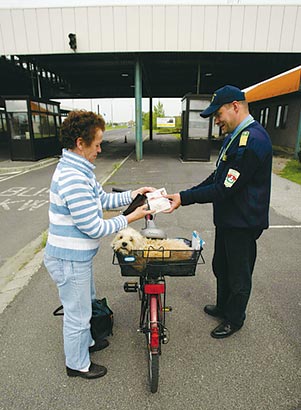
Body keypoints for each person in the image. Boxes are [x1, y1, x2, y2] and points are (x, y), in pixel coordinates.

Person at [44, 110, 155, 379]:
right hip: (69, 259)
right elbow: (93, 227)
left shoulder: (79, 170)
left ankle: (87, 344)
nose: (100, 149)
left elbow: (102, 200)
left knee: (85, 306)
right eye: (96, 144)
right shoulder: (73, 177)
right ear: (80, 143)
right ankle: (77, 364)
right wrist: (130, 218)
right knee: (77, 314)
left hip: (76, 257)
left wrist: (135, 194)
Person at [165, 85, 272, 339]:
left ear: (235, 106)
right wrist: (184, 194)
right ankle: (223, 306)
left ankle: (234, 319)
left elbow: (224, 188)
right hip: (228, 219)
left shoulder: (253, 141)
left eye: (218, 114)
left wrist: (184, 198)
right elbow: (217, 176)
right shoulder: (234, 137)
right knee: (221, 266)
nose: (216, 120)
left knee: (238, 274)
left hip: (242, 222)